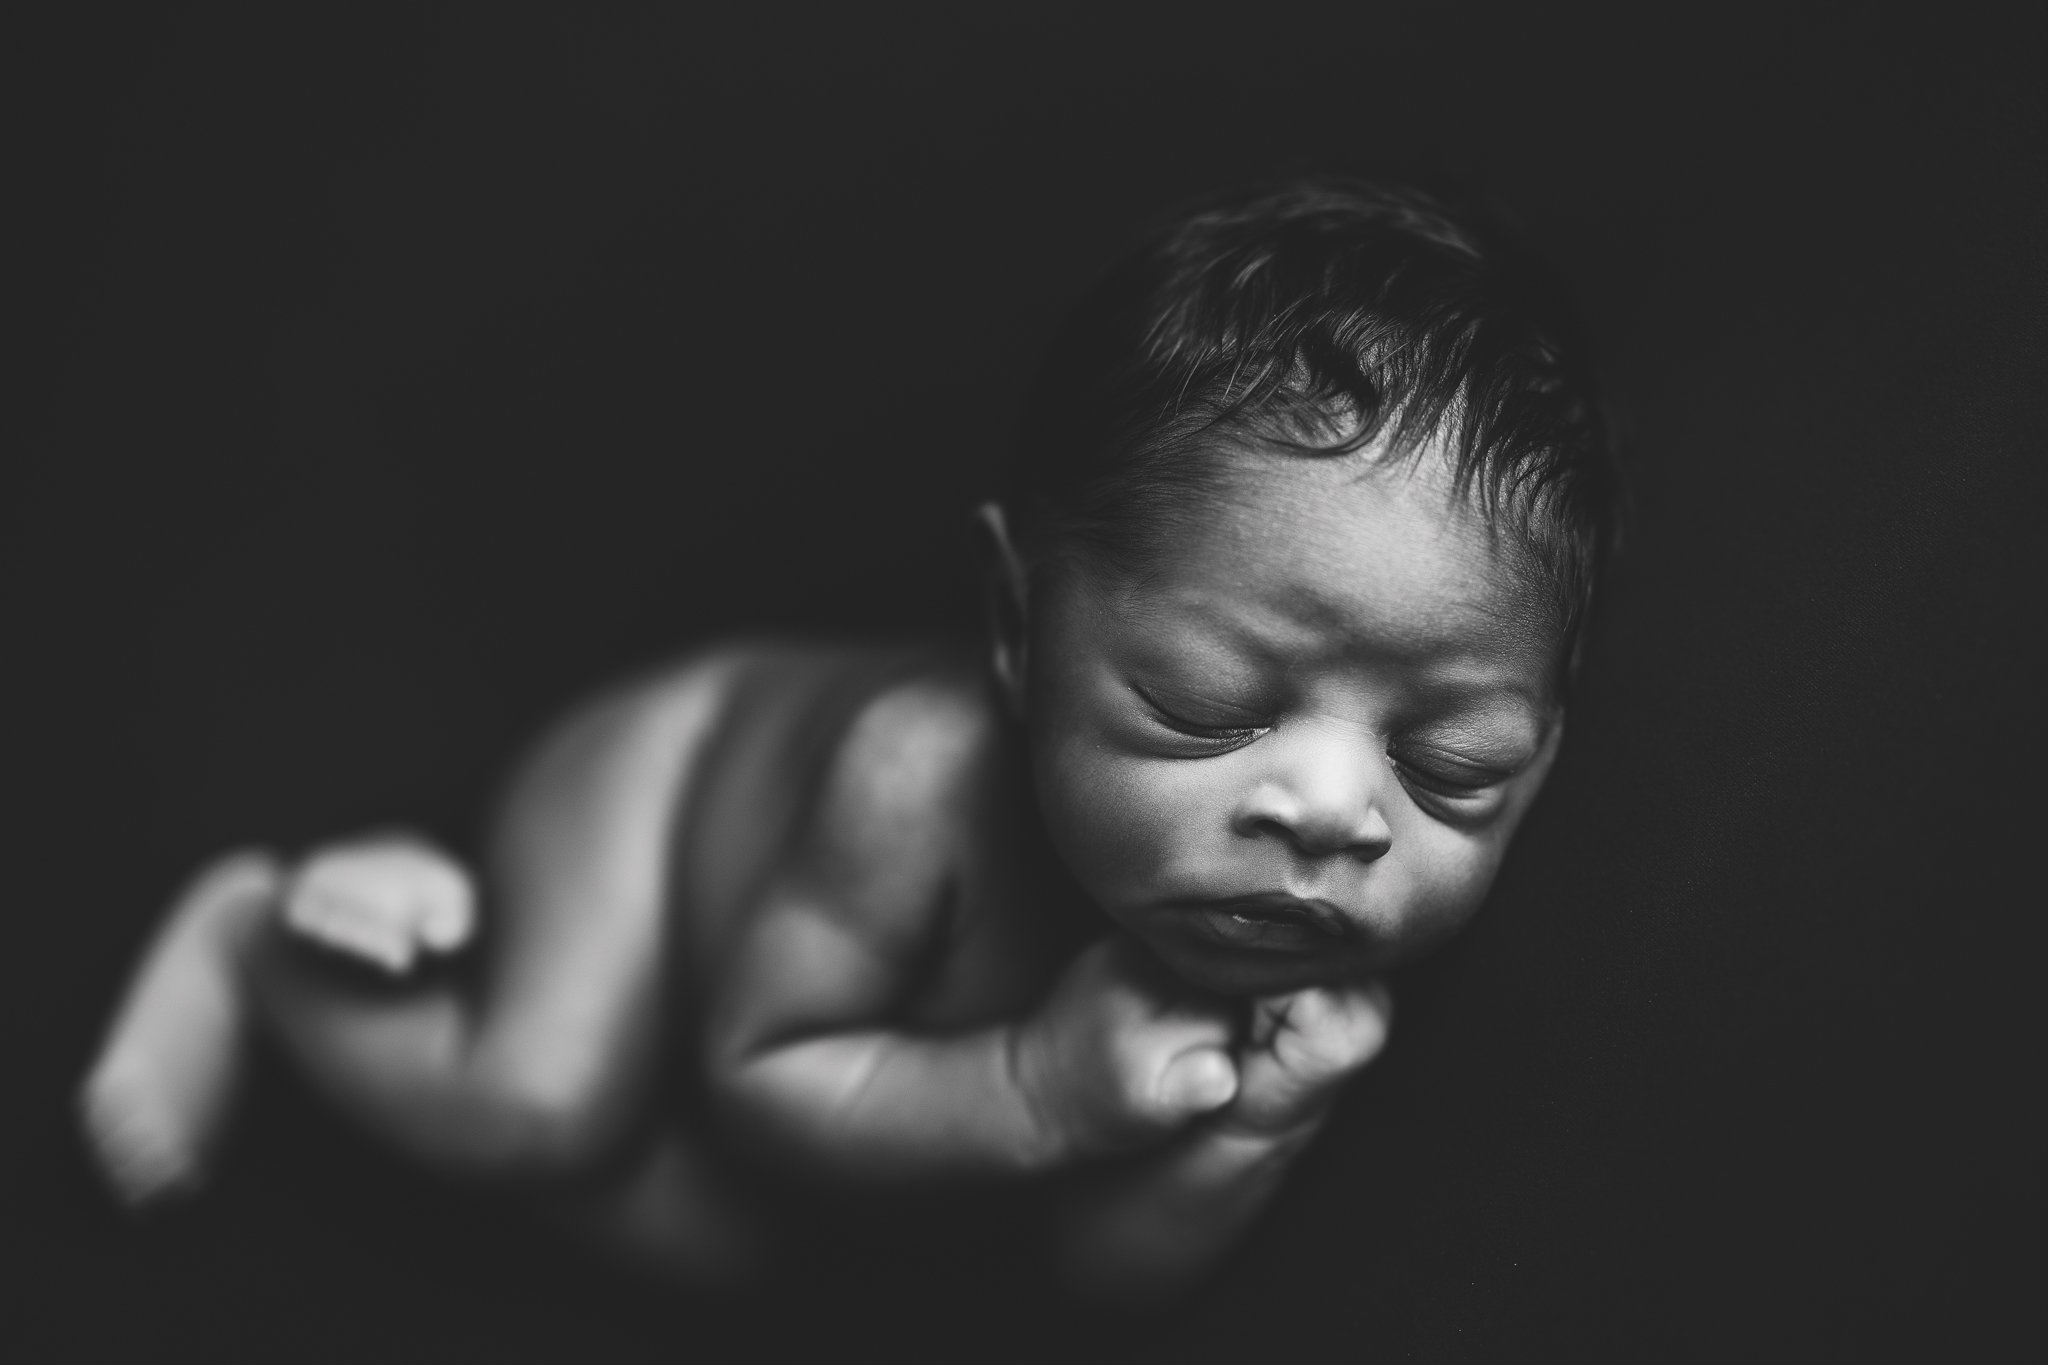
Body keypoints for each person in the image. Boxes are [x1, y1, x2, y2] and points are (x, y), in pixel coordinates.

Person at [78, 175, 1618, 1303]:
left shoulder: (1315, 962)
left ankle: (421, 932)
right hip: (664, 799)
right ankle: (259, 940)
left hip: (839, 1069)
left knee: (717, 1248)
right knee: (542, 1105)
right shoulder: (912, 773)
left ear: (1537, 762)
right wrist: (1032, 1090)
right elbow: (755, 1071)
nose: (1335, 810)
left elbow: (1095, 1290)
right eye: (1206, 707)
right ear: (1020, 628)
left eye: (1452, 767)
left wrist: (1247, 1136)